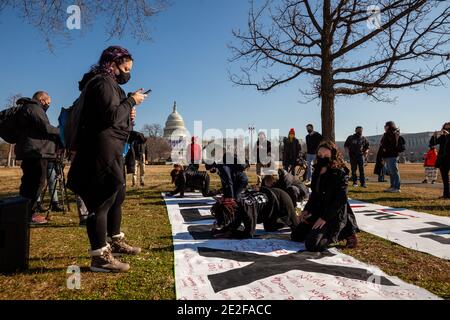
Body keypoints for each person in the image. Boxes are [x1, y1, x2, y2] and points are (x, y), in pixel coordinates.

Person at [67, 46, 147, 273]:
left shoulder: (108, 85)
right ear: (112, 64)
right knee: (101, 200)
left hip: (111, 147)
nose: (127, 73)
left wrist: (129, 117)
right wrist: (131, 101)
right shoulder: (102, 83)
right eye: (125, 68)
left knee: (117, 194)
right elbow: (110, 117)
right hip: (100, 151)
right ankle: (100, 256)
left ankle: (115, 240)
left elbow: (112, 119)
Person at [291, 141, 359, 252]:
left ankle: (346, 233)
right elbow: (315, 195)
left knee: (312, 245)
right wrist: (306, 210)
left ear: (333, 155)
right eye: (320, 155)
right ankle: (316, 231)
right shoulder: (317, 170)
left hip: (333, 213)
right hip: (318, 210)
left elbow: (341, 199)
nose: (323, 157)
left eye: (326, 155)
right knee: (296, 236)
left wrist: (325, 218)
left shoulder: (340, 173)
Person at [14, 93, 60, 225]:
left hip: (32, 150)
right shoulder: (35, 108)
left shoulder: (28, 108)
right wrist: (61, 130)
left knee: (30, 182)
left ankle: (26, 212)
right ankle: (28, 214)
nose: (49, 104)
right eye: (48, 102)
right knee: (35, 183)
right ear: (42, 99)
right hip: (35, 151)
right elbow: (45, 127)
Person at [210, 187, 299, 239]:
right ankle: (282, 220)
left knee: (297, 233)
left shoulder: (248, 210)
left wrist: (231, 234)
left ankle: (290, 219)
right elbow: (235, 223)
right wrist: (223, 230)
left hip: (282, 198)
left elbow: (249, 234)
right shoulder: (236, 203)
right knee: (270, 228)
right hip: (270, 205)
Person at [380, 121, 406, 193]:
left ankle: (397, 187)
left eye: (386, 125)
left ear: (389, 126)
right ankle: (392, 186)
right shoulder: (386, 135)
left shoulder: (394, 134)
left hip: (392, 155)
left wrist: (387, 148)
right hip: (387, 156)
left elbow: (398, 146)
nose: (384, 127)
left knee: (394, 171)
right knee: (391, 172)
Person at [430, 122, 450, 198]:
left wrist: (448, 135)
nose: (447, 130)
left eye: (449, 129)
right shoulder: (442, 137)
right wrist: (434, 136)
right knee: (445, 179)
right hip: (443, 159)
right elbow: (432, 143)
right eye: (445, 128)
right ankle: (446, 194)